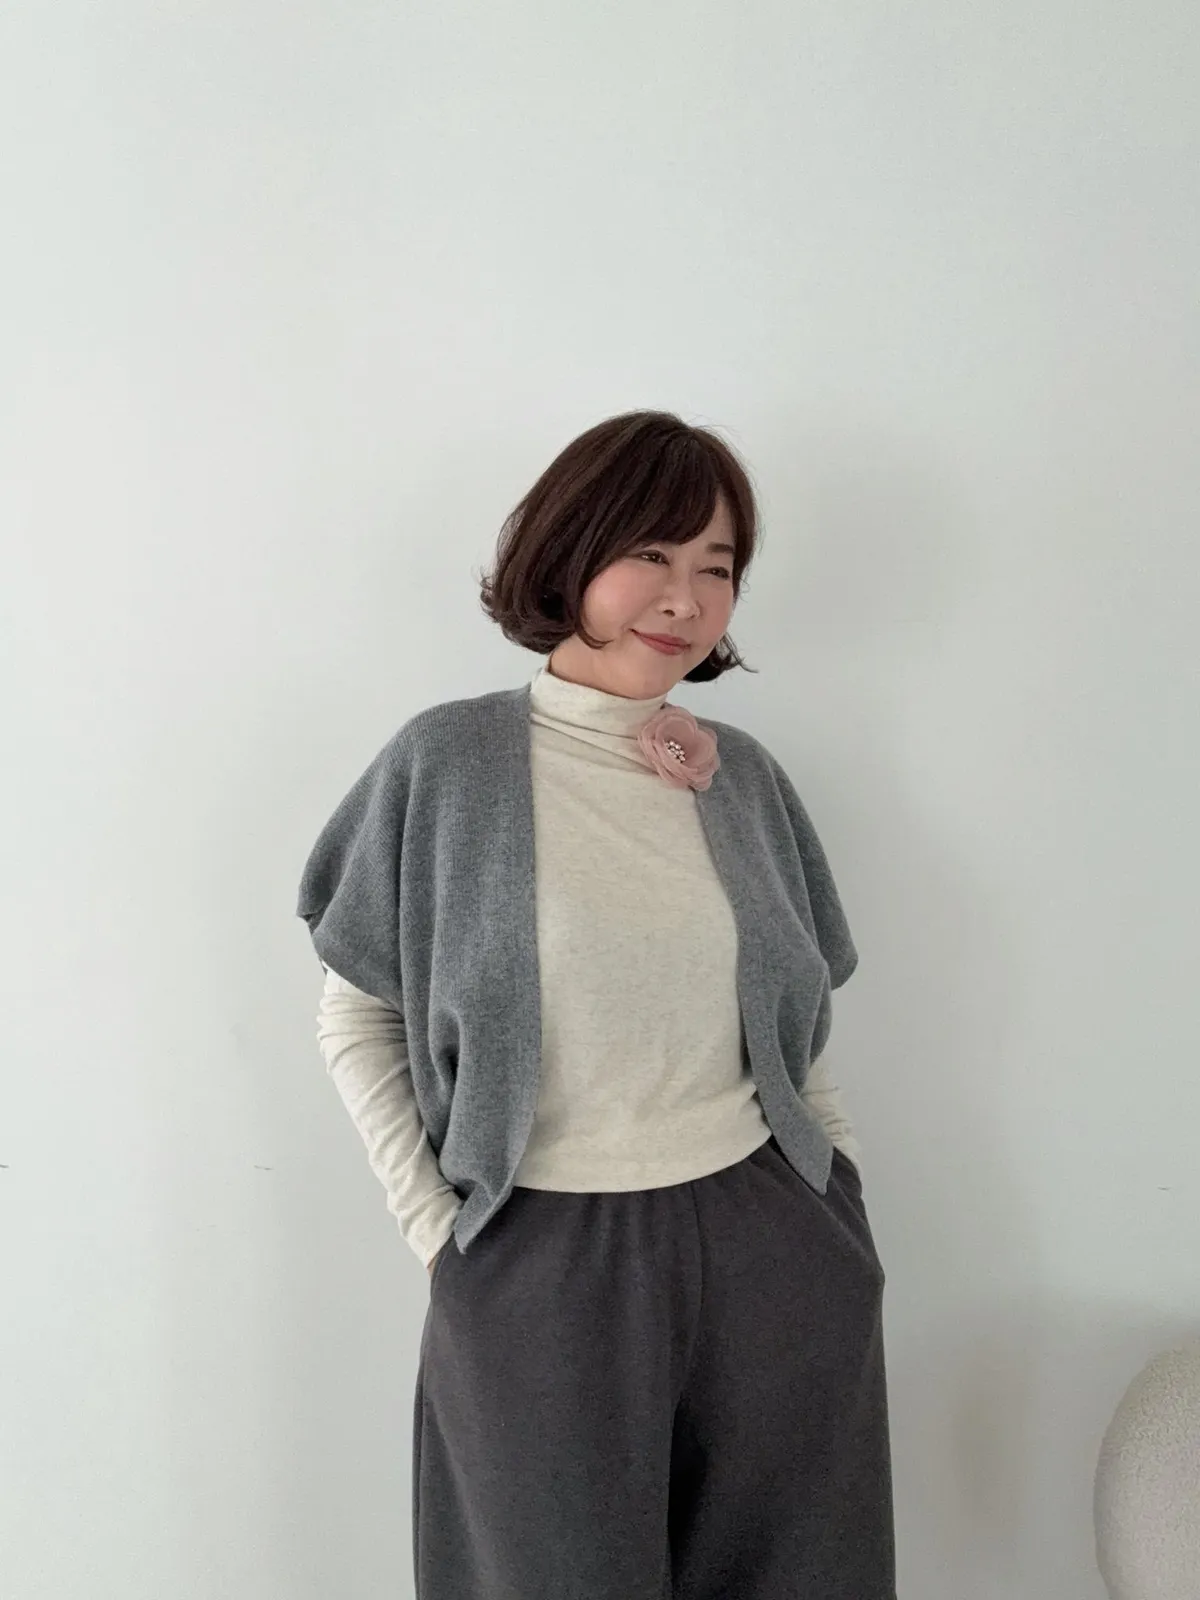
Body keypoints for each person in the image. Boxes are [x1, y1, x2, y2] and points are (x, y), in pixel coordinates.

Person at [298, 409, 896, 1598]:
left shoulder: (742, 778)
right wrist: (437, 1231)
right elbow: (356, 1013)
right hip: (543, 1251)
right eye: (652, 554)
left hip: (770, 1237)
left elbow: (797, 1026)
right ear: (570, 553)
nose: (685, 598)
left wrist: (835, 1186)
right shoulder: (446, 764)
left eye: (717, 567)